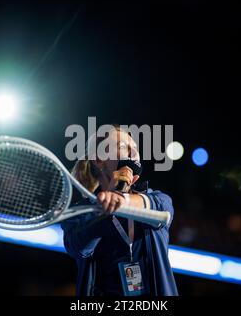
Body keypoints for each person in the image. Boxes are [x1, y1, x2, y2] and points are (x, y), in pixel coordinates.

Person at [61, 124, 178, 296]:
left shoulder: (159, 199)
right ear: (99, 159)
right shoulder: (80, 213)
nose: (133, 153)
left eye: (135, 149)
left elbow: (160, 209)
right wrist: (105, 207)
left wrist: (120, 197)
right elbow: (78, 247)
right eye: (123, 147)